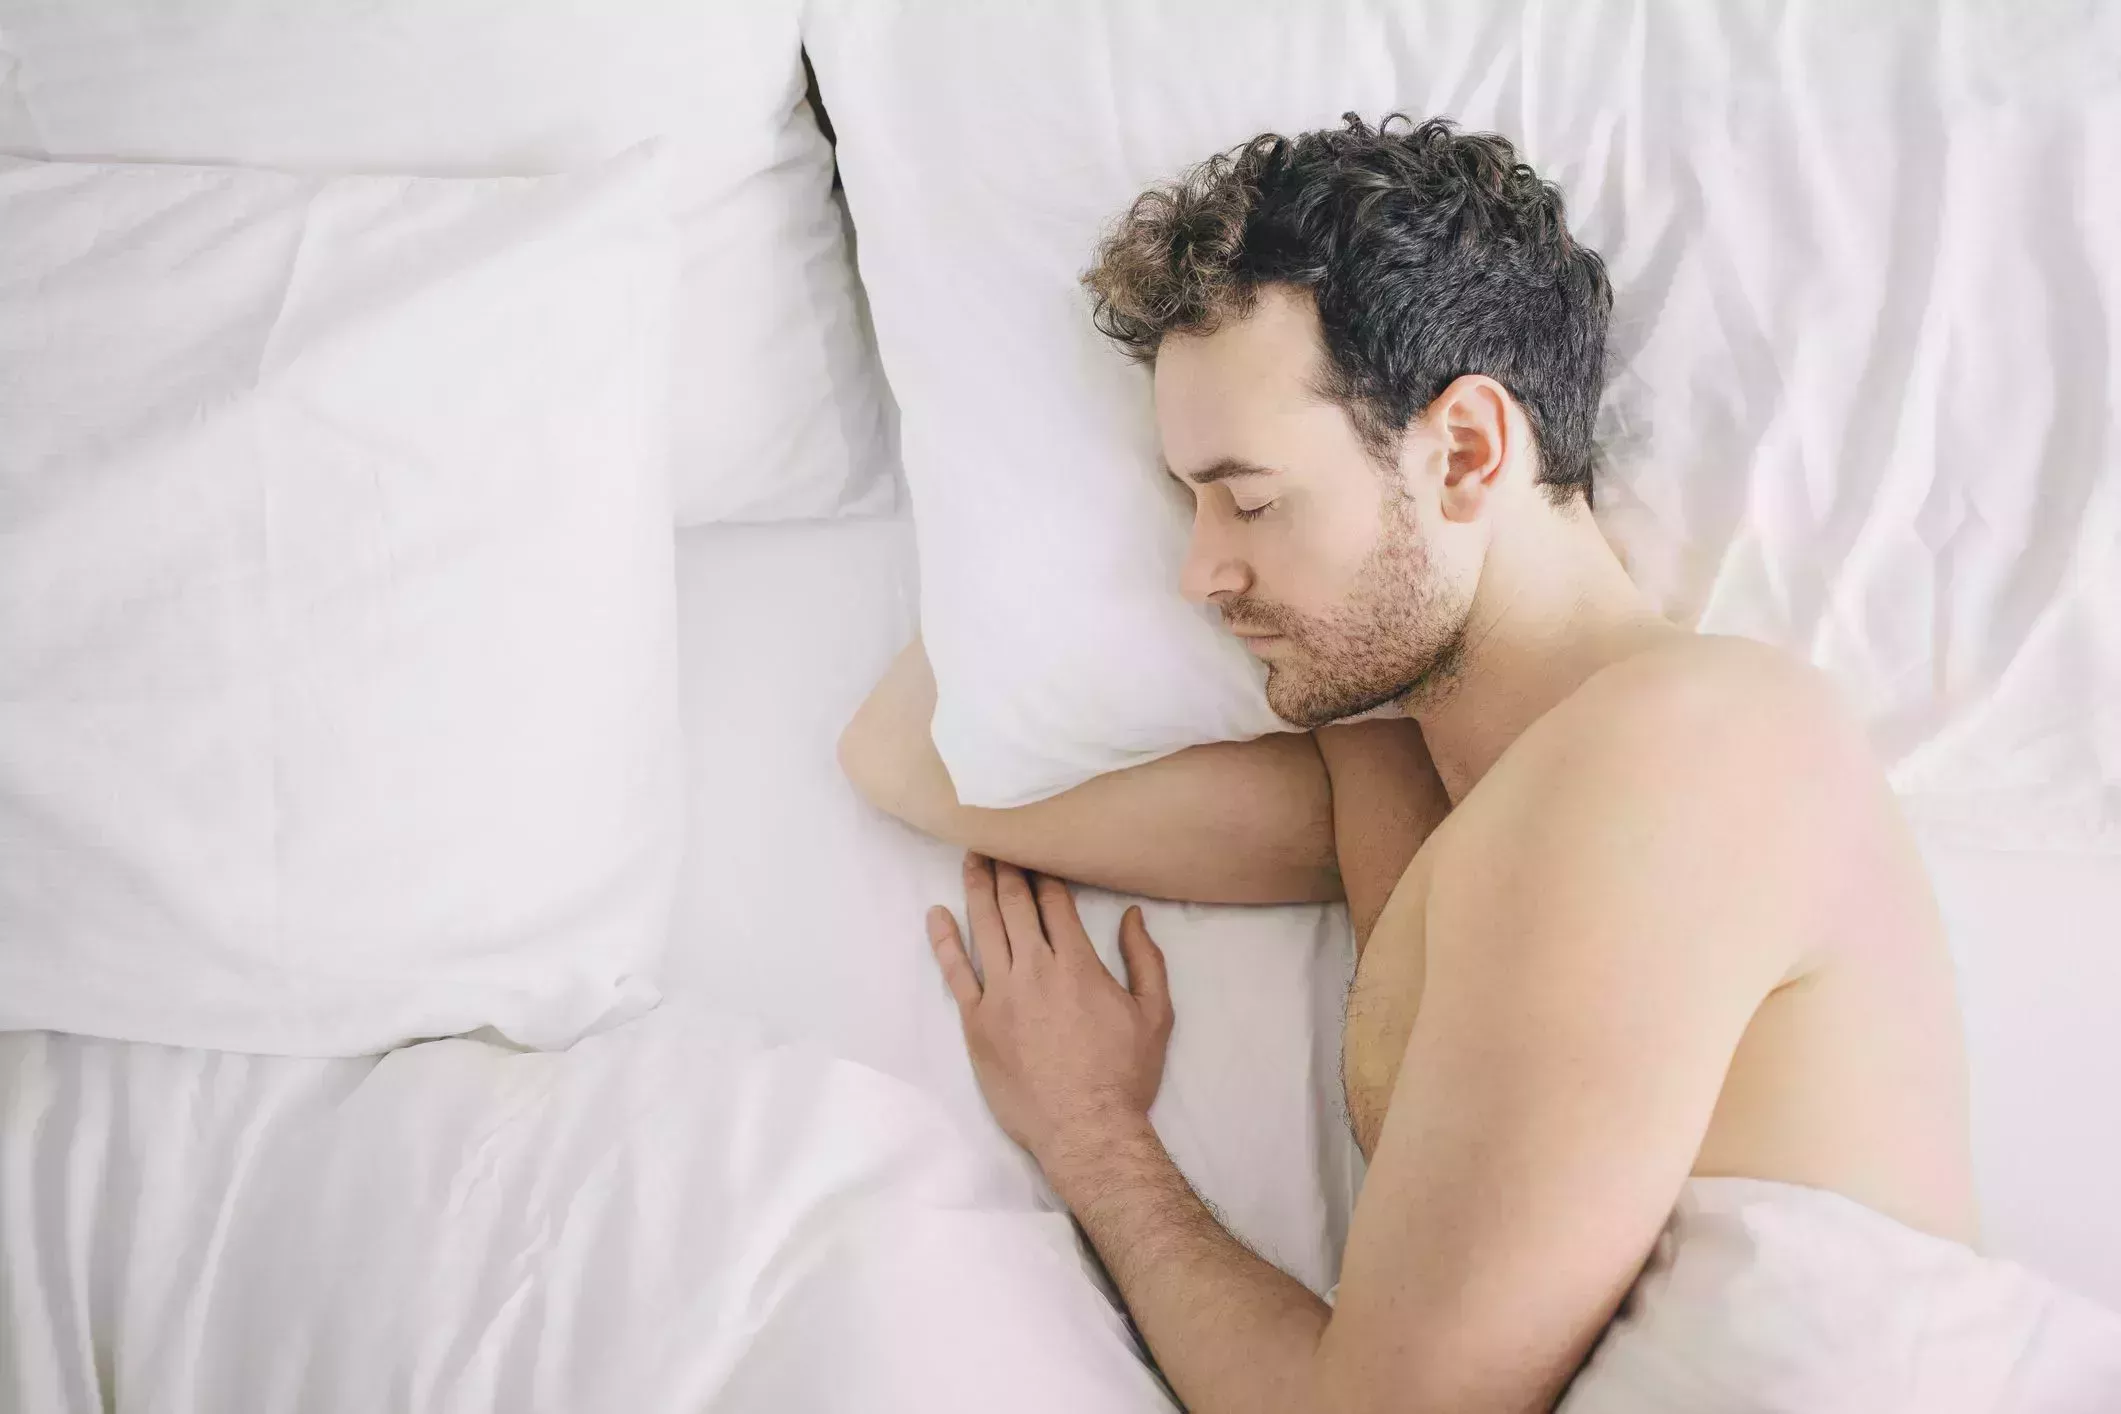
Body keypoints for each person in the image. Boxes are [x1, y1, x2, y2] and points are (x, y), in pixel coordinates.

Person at [838, 115, 1974, 1412]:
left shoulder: (1686, 751)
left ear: (1471, 452)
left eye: (1250, 498)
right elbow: (908, 759)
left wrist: (1097, 1141)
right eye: (1183, 498)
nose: (1199, 571)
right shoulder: (1406, 781)